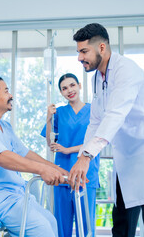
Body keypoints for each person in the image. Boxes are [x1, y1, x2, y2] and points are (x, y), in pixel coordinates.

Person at [68, 23, 144, 237]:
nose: (80, 58)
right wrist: (82, 156)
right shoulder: (97, 79)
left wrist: (88, 155)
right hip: (126, 162)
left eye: (83, 51)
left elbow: (115, 115)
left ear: (101, 47)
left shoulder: (127, 69)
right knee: (121, 228)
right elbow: (96, 121)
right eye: (78, 52)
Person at [0, 75, 68, 237]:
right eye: (6, 91)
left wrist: (59, 170)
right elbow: (1, 157)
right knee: (43, 229)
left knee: (51, 221)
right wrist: (43, 170)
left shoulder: (5, 127)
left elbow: (25, 153)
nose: (11, 95)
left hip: (11, 196)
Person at [41, 73, 100, 237]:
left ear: (79, 85)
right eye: (64, 88)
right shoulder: (58, 113)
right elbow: (50, 142)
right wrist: (48, 118)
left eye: (72, 85)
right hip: (62, 174)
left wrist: (68, 150)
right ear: (61, 92)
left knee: (86, 227)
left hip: (86, 174)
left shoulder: (93, 110)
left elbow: (96, 141)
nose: (69, 90)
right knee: (62, 226)